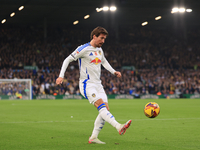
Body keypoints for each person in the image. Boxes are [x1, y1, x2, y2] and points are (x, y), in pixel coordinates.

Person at [56, 26, 132, 144]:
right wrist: (61, 76)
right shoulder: (83, 49)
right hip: (87, 85)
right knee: (101, 107)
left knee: (105, 109)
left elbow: (104, 61)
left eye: (104, 39)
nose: (103, 41)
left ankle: (93, 137)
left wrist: (114, 72)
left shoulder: (100, 50)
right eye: (101, 38)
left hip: (98, 84)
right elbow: (67, 60)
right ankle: (118, 126)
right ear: (94, 36)